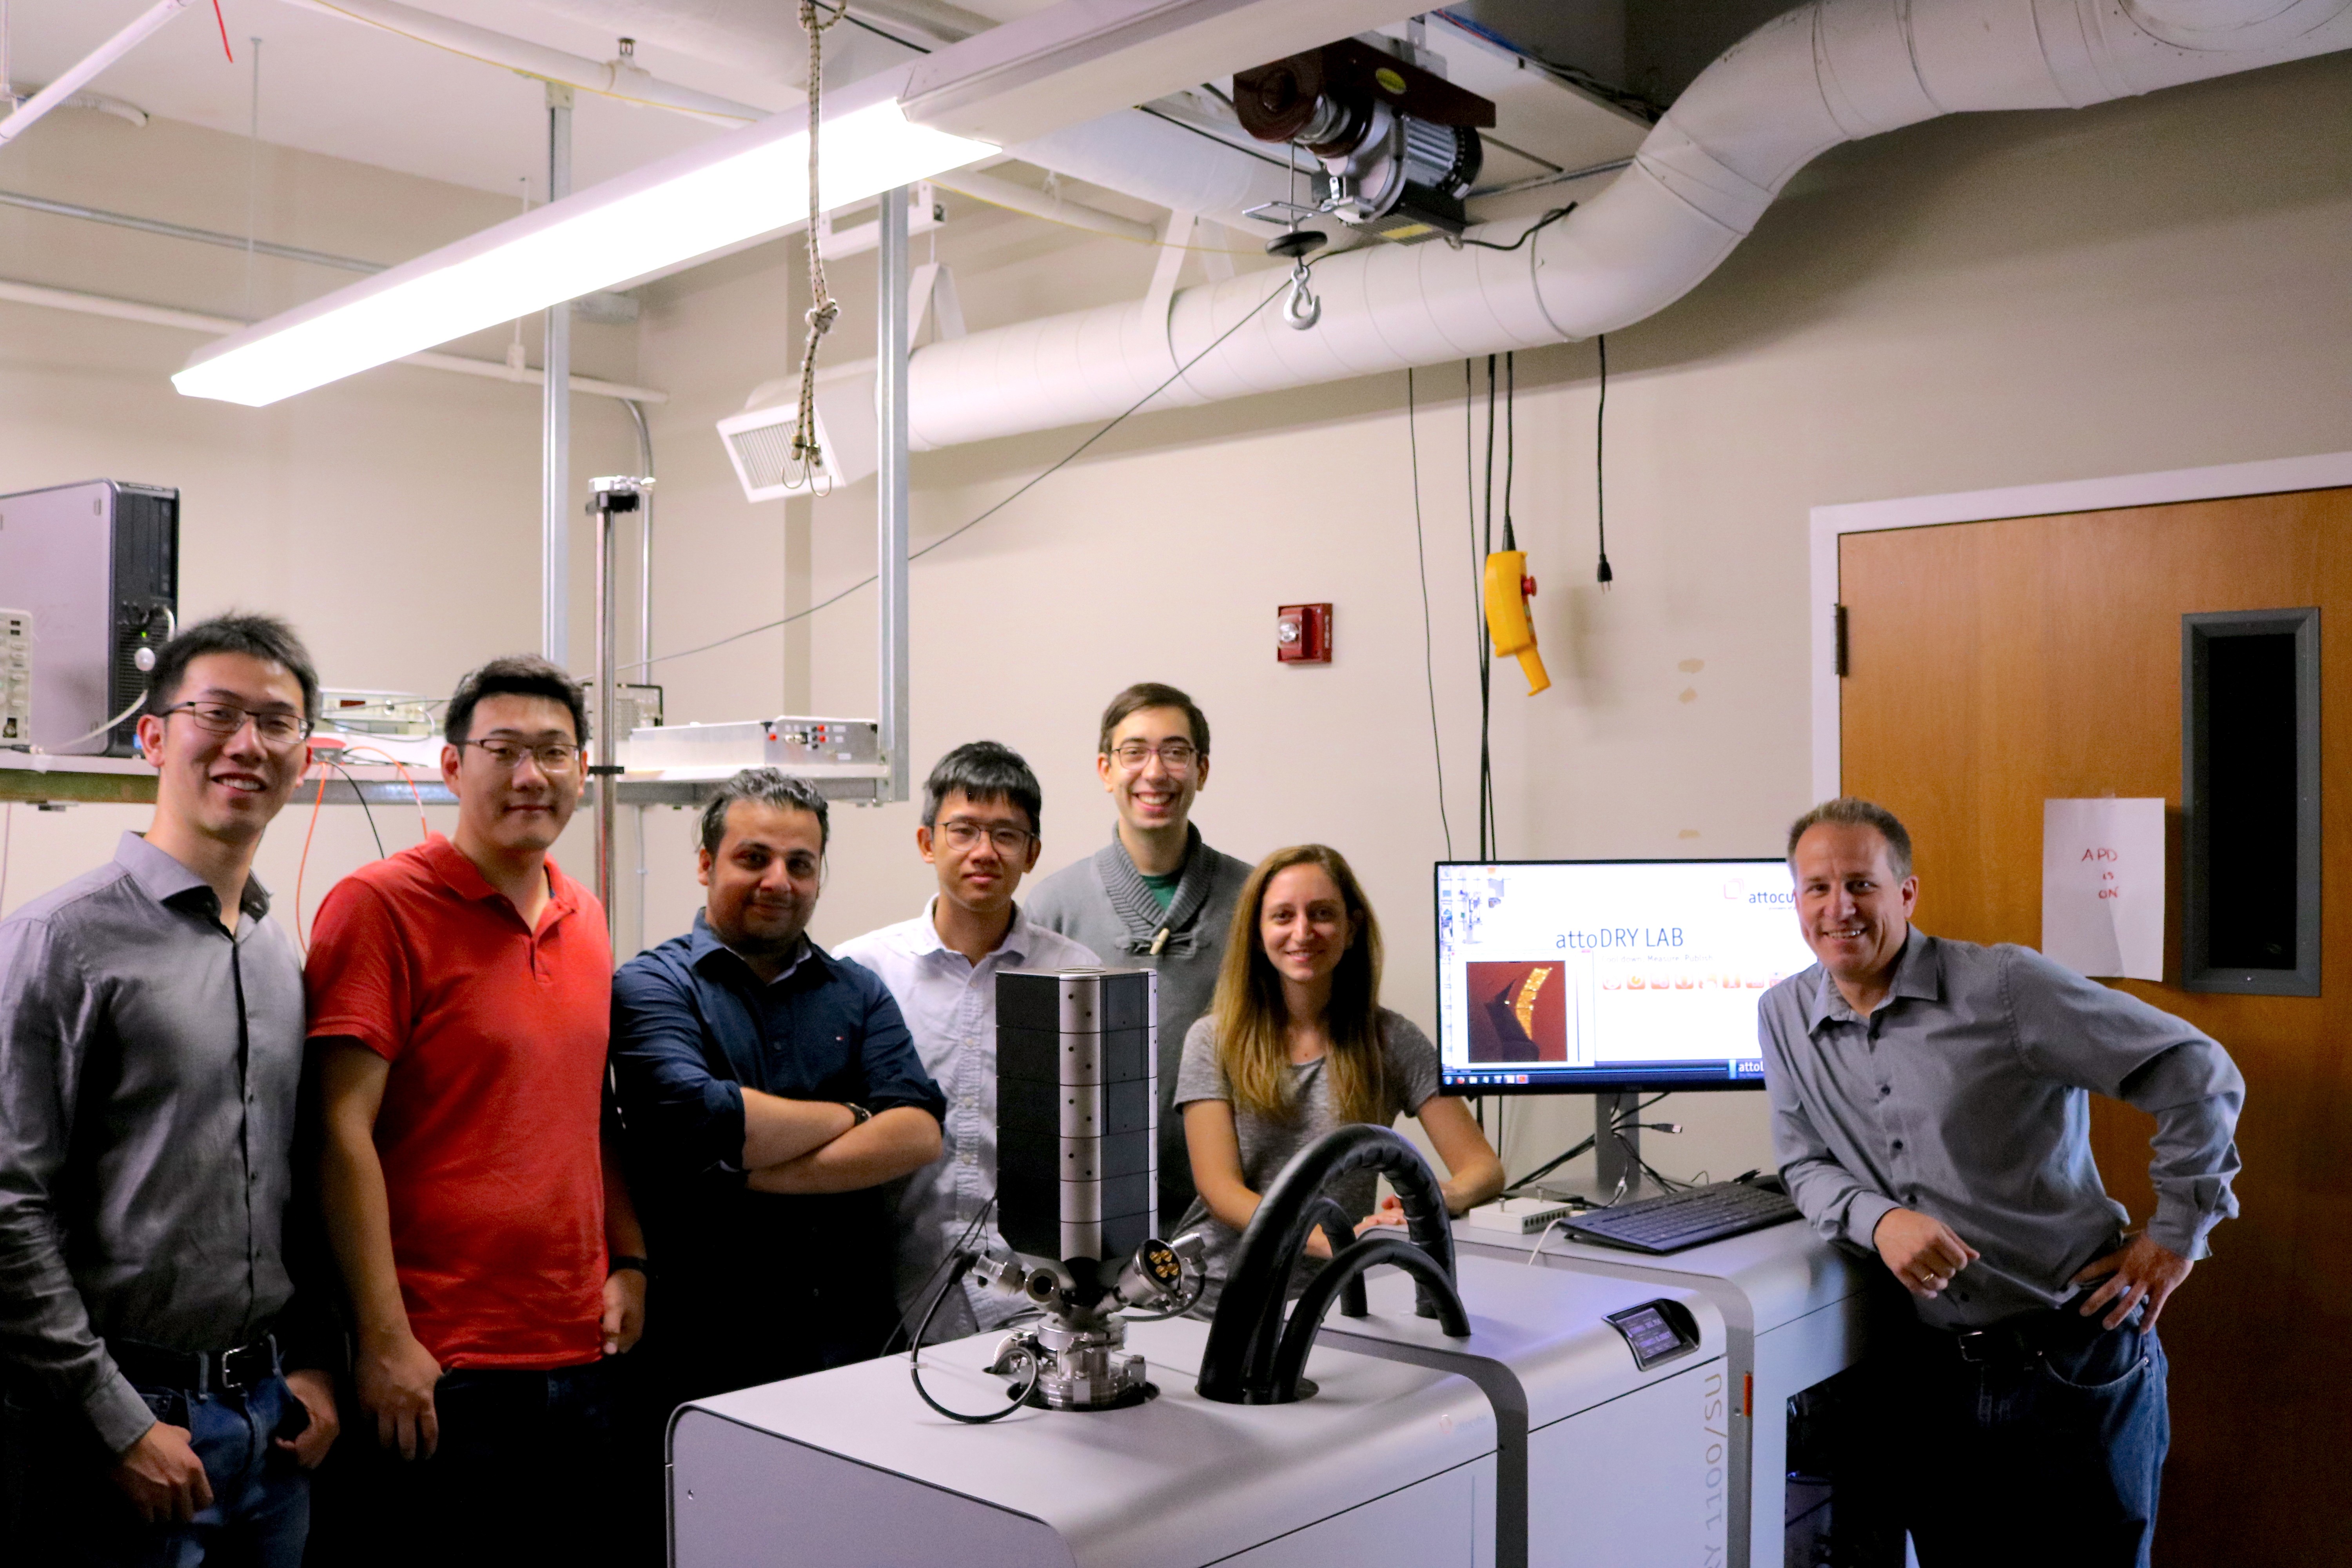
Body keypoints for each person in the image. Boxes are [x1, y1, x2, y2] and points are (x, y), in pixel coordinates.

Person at [1759, 796, 2245, 1567]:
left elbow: (2197, 1072)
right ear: (1796, 901)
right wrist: (1879, 1219)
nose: (1838, 907)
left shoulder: (2004, 987)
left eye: (1861, 883)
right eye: (1816, 888)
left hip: (2071, 1358)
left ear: (1907, 893)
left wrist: (2177, 1235)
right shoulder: (1783, 1014)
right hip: (1932, 1379)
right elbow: (1803, 1162)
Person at [0, 614, 341, 1566]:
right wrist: (114, 1421)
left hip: (271, 1421)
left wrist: (314, 1362)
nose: (248, 744)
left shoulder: (276, 952)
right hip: (125, 1428)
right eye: (218, 714)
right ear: (154, 736)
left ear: (304, 755)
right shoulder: (56, 943)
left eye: (276, 723)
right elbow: (7, 1205)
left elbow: (287, 1183)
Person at [307, 655, 643, 1568]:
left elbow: (589, 1110)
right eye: (504, 750)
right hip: (441, 1365)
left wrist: (631, 1261)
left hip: (579, 1354)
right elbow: (338, 1132)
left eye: (554, 751)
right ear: (454, 767)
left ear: (582, 768)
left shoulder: (586, 915)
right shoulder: (379, 907)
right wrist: (384, 1340)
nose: (531, 775)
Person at [609, 767, 945, 1406]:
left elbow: (919, 1133)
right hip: (702, 1353)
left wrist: (745, 1171)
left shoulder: (857, 991)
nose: (778, 882)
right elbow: (701, 1119)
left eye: (800, 863)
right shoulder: (653, 985)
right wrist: (854, 1113)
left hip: (851, 1345)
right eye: (754, 858)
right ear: (707, 864)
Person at [835, 742, 1100, 1344]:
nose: (985, 851)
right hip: (884, 1288)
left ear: (1032, 854)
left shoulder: (1076, 977)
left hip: (1034, 1293)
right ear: (928, 842)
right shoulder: (861, 970)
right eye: (964, 831)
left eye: (1006, 834)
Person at [1175, 844, 1504, 1305]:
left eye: (1322, 913)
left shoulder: (1392, 1040)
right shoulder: (1211, 1039)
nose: (1303, 932)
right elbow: (1220, 1189)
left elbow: (1484, 1170)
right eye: (1283, 916)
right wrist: (1326, 1239)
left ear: (1352, 927)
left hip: (1331, 1299)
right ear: (1256, 932)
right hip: (1216, 1295)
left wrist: (1429, 1202)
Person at [1027, 682, 1253, 1225]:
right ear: (1106, 769)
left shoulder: (1254, 901)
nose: (1155, 772)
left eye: (1175, 752)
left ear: (1202, 769)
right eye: (1135, 752)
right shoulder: (1053, 906)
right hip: (1086, 1209)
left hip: (1229, 1209)